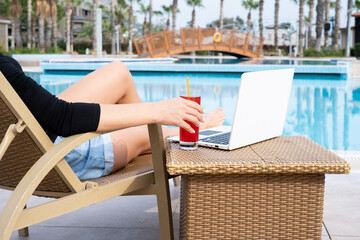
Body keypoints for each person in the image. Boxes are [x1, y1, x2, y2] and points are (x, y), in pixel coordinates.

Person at [0, 53, 225, 180]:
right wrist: (158, 110)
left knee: (119, 73)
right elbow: (64, 119)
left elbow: (45, 110)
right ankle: (185, 131)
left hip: (27, 139)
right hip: (54, 153)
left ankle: (162, 131)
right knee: (143, 134)